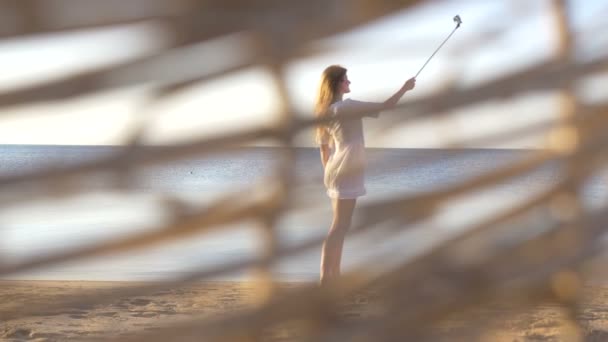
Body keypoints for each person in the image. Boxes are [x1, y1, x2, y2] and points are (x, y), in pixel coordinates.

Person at [314, 65, 416, 285]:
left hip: (334, 169)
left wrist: (329, 174)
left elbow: (324, 149)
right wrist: (405, 88)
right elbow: (387, 106)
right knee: (340, 226)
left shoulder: (324, 113)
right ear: (337, 83)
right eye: (346, 80)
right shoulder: (347, 107)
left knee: (339, 224)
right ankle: (326, 278)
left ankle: (333, 275)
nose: (349, 83)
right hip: (348, 168)